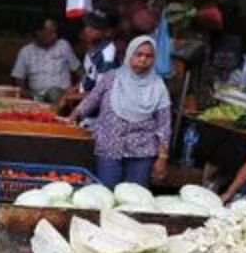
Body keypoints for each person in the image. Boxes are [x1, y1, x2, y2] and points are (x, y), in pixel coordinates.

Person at [68, 35, 170, 188]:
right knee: (106, 193)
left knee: (134, 199)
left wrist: (162, 158)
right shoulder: (112, 77)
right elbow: (90, 101)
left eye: (149, 56)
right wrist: (72, 117)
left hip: (142, 151)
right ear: (129, 55)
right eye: (139, 54)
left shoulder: (158, 86)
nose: (143, 60)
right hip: (109, 147)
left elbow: (164, 125)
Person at [10, 18, 80, 102]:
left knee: (54, 93)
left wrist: (77, 90)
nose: (54, 36)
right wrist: (25, 96)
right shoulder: (26, 51)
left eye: (55, 32)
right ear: (38, 32)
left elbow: (79, 70)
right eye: (50, 33)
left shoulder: (63, 46)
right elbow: (18, 78)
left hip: (63, 97)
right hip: (37, 98)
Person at [79, 9, 120, 93]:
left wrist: (69, 98)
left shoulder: (108, 56)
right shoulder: (95, 51)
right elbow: (88, 81)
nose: (88, 30)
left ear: (108, 32)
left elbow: (101, 92)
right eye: (88, 25)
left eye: (95, 27)